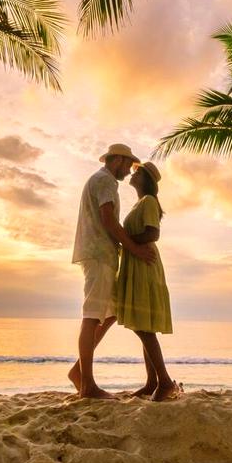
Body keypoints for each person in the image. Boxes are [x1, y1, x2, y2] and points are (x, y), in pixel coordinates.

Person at [70, 143, 156, 399]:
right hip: (98, 255)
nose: (130, 171)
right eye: (128, 164)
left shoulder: (103, 181)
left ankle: (78, 371)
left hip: (103, 255)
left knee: (112, 312)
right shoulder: (105, 180)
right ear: (116, 160)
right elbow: (109, 221)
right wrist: (135, 249)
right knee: (92, 315)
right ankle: (87, 385)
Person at [117, 161, 180, 401]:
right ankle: (152, 381)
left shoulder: (149, 202)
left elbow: (153, 233)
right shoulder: (142, 203)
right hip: (139, 263)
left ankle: (164, 381)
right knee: (143, 324)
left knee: (142, 326)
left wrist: (124, 239)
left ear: (145, 179)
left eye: (137, 172)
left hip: (144, 264)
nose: (133, 174)